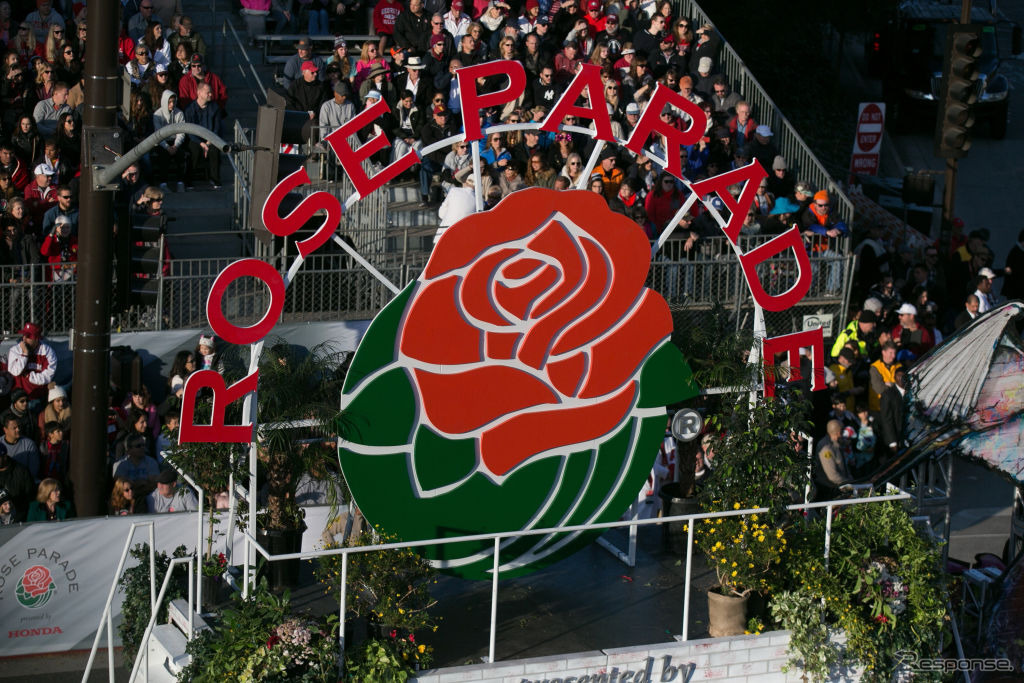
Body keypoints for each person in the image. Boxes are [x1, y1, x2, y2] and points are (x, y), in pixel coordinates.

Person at [183, 82, 225, 188]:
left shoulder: (215, 108)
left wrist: (209, 142)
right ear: (199, 93)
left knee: (215, 151)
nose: (211, 94)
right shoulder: (190, 109)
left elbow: (217, 127)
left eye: (211, 92)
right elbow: (189, 129)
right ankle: (188, 181)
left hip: (210, 138)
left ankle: (215, 180)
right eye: (208, 92)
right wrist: (201, 143)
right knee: (194, 151)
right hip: (195, 139)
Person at [7, 321, 56, 403]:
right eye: (24, 335)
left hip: (39, 397)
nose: (24, 339)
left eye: (28, 336)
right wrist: (25, 354)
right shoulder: (15, 350)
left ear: (36, 339)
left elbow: (47, 378)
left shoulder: (47, 352)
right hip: (19, 399)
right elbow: (14, 371)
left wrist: (29, 376)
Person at [152, 89, 186, 191]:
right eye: (169, 102)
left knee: (181, 155)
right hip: (162, 143)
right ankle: (163, 184)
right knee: (163, 157)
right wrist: (167, 147)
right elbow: (158, 135)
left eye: (173, 101)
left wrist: (175, 146)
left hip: (175, 141)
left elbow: (182, 132)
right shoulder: (157, 114)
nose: (171, 104)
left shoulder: (179, 113)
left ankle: (180, 182)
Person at [815, 419, 853, 495]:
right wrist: (850, 485)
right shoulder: (826, 448)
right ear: (838, 433)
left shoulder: (836, 444)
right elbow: (832, 476)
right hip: (830, 490)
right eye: (842, 432)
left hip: (840, 485)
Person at [877, 368, 907, 462]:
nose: (901, 378)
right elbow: (886, 419)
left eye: (903, 376)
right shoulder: (888, 395)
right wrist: (892, 442)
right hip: (895, 438)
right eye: (899, 376)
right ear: (894, 378)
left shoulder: (911, 392)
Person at [3, 413, 40, 482]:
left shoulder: (29, 445)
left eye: (19, 426)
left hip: (24, 481)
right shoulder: (0, 444)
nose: (18, 430)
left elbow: (33, 471)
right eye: (14, 428)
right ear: (5, 430)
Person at [868, 341, 901, 413]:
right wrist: (895, 386)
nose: (893, 356)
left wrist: (890, 384)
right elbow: (879, 388)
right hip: (879, 408)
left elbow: (903, 386)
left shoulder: (899, 366)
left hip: (895, 407)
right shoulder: (875, 367)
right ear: (883, 352)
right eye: (891, 353)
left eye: (895, 353)